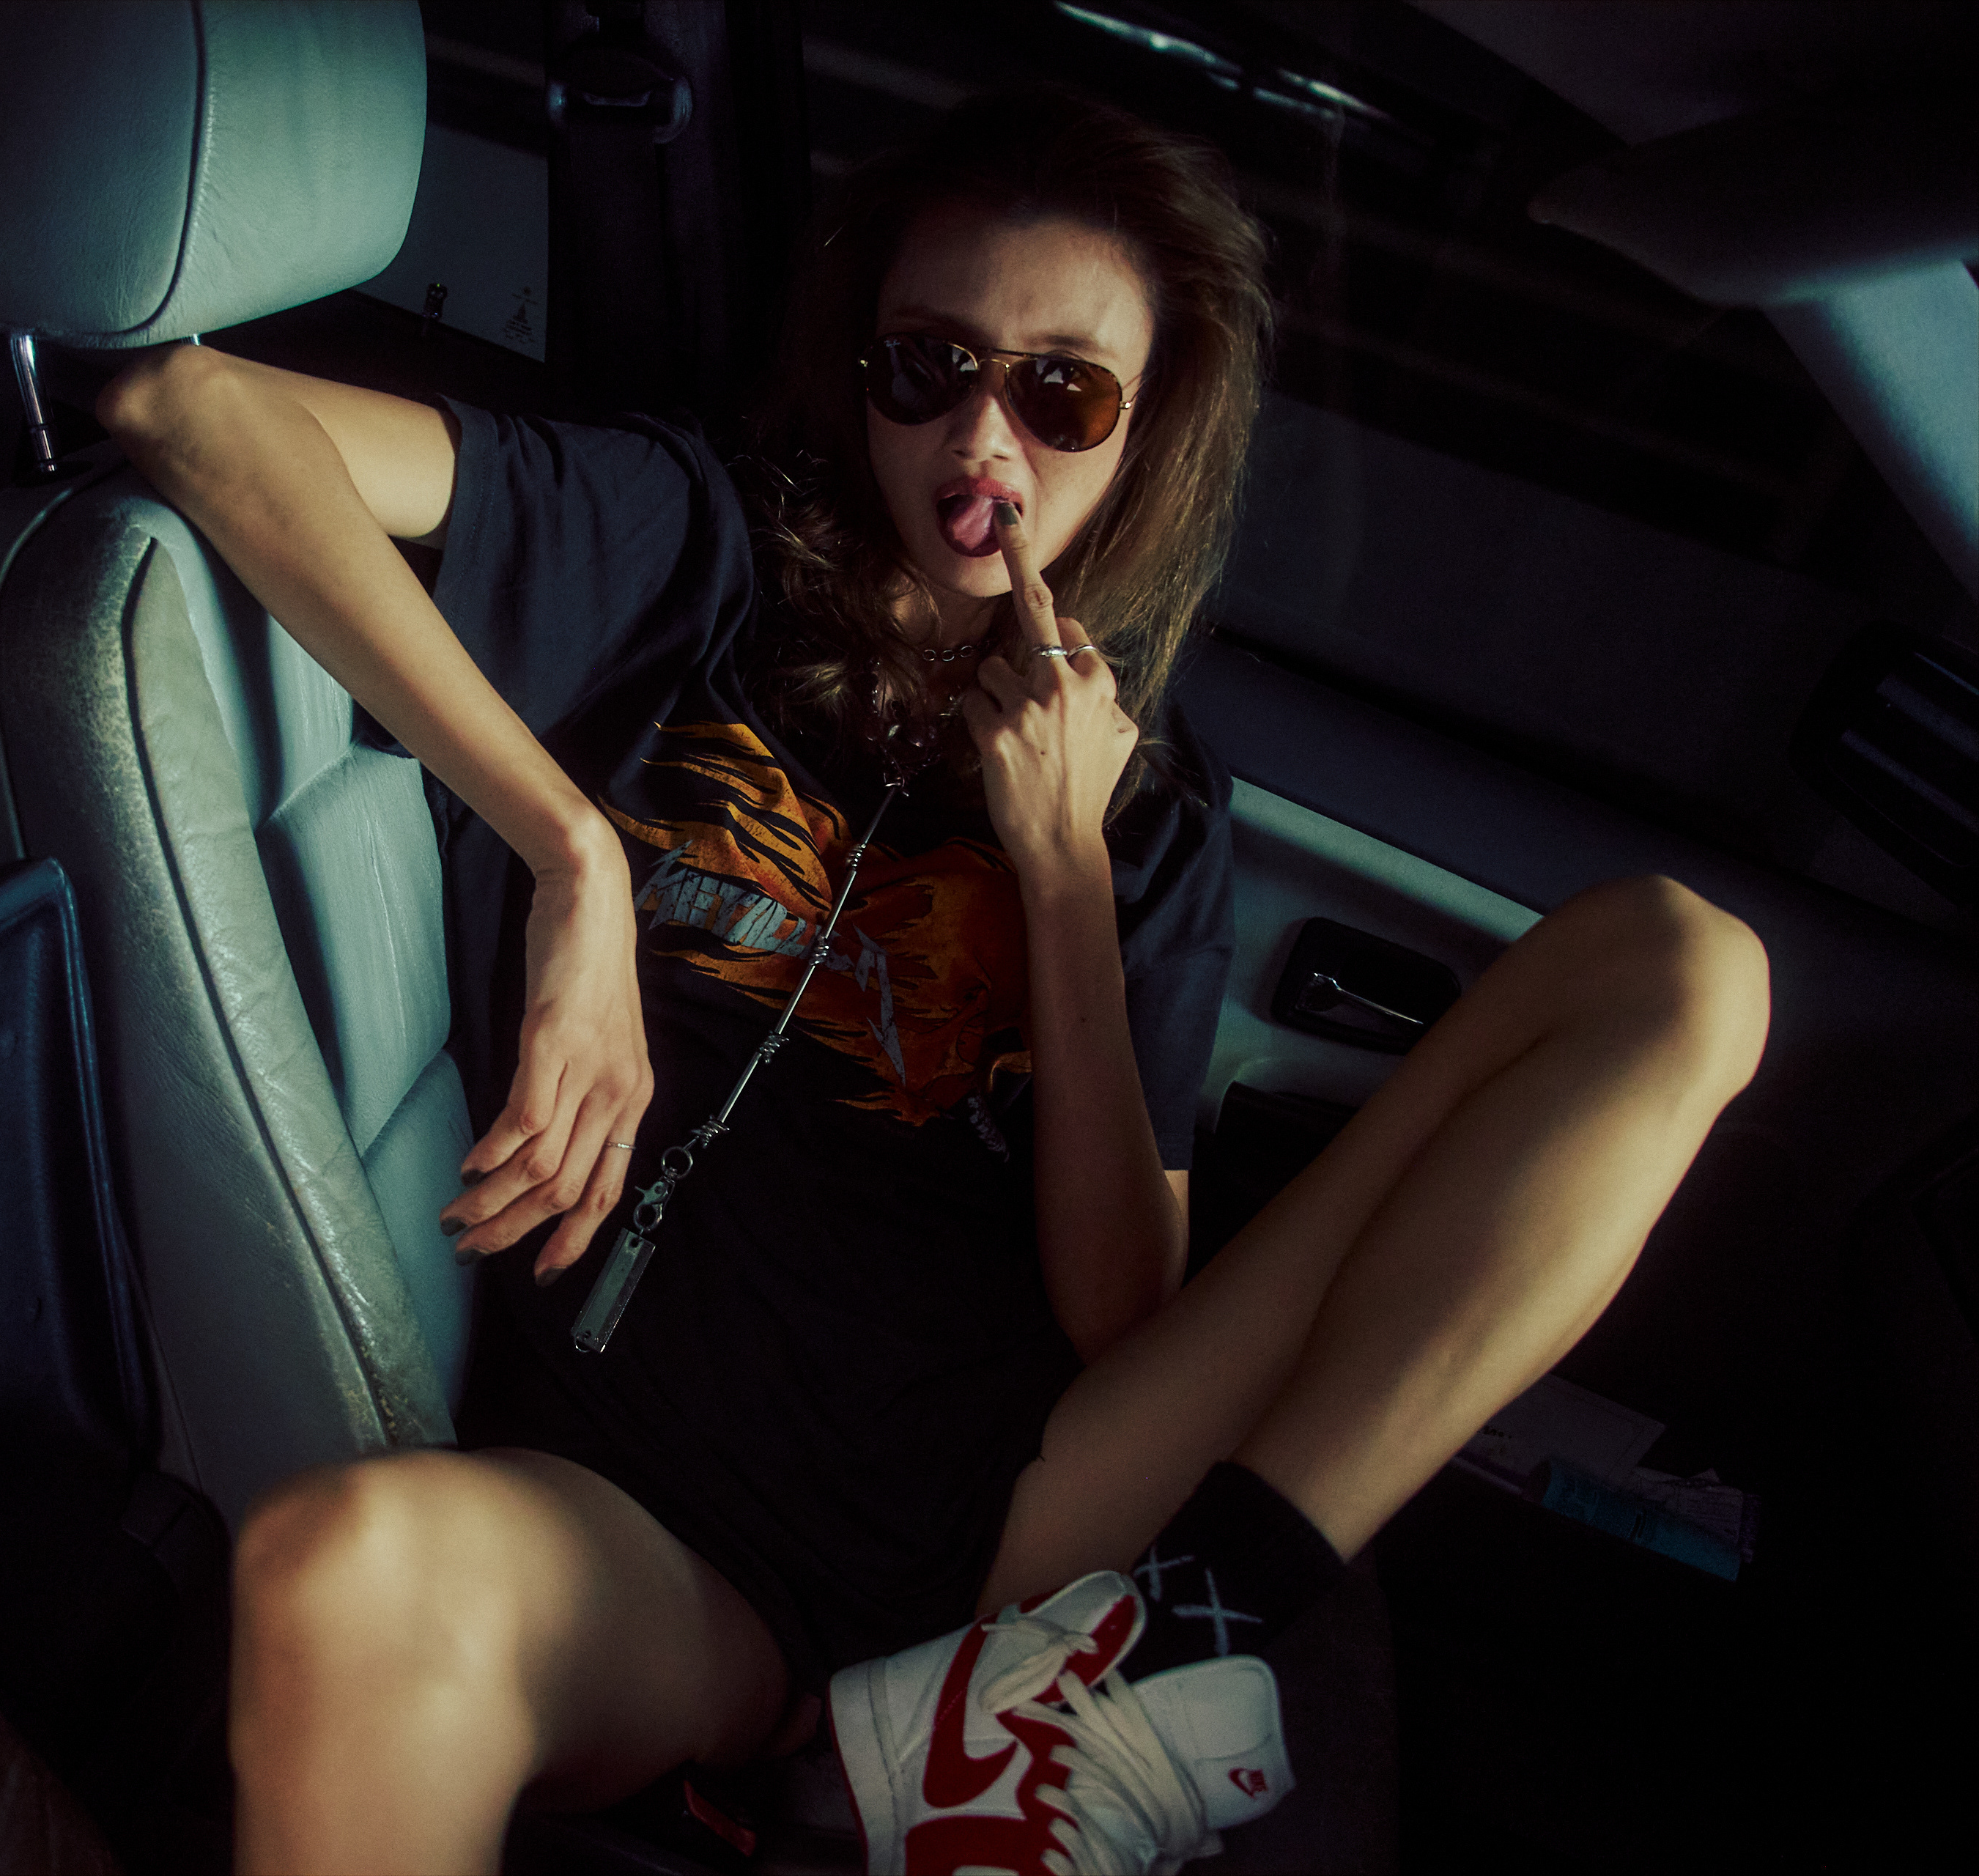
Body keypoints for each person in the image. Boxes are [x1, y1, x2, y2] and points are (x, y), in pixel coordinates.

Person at [100, 86, 1768, 1876]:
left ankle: (1149, 1657)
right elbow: (189, 409)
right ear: (862, 373)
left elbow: (1121, 1307)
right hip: (671, 1532)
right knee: (345, 1577)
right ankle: (989, 1709)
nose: (985, 433)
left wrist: (1061, 865)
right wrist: (571, 849)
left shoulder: (1149, 809)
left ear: (1143, 434)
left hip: (1026, 1509)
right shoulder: (691, 552)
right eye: (930, 365)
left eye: (1063, 393)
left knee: (1682, 961)